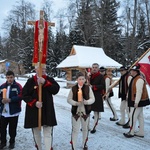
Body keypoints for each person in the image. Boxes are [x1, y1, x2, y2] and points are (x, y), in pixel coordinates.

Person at [22, 63, 60, 150]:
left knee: (48, 132)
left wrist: (45, 82)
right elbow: (24, 95)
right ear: (35, 70)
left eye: (44, 69)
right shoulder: (31, 81)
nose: (42, 70)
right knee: (36, 132)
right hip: (34, 110)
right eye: (40, 69)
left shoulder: (49, 80)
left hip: (47, 110)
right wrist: (34, 102)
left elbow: (56, 89)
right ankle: (39, 147)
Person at [67, 72, 95, 150]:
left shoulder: (88, 88)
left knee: (85, 128)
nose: (81, 81)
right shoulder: (73, 88)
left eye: (83, 79)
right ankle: (74, 146)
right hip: (76, 112)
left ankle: (84, 144)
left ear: (85, 79)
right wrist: (75, 103)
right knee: (75, 130)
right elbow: (69, 99)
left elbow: (93, 99)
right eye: (80, 79)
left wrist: (87, 102)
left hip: (85, 112)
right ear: (77, 80)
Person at [123, 64, 150, 138]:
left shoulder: (139, 79)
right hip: (136, 101)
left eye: (131, 70)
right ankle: (141, 132)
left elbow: (139, 91)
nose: (130, 71)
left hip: (137, 101)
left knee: (132, 116)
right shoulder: (135, 78)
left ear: (135, 71)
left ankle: (131, 132)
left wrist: (136, 102)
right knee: (140, 117)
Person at [0, 70, 22, 149]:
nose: (9, 79)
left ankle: (12, 141)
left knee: (12, 129)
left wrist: (10, 100)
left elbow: (20, 96)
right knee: (2, 128)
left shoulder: (18, 86)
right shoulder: (2, 86)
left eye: (11, 77)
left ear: (14, 77)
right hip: (3, 111)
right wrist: (1, 100)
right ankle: (3, 142)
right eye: (8, 77)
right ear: (6, 77)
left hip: (14, 111)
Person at [87, 63, 105, 134]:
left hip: (97, 95)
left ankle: (94, 127)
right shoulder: (89, 76)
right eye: (93, 67)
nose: (94, 68)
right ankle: (86, 126)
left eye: (96, 67)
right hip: (89, 95)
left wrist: (94, 86)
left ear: (98, 69)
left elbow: (103, 86)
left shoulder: (100, 76)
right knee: (87, 111)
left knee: (96, 112)